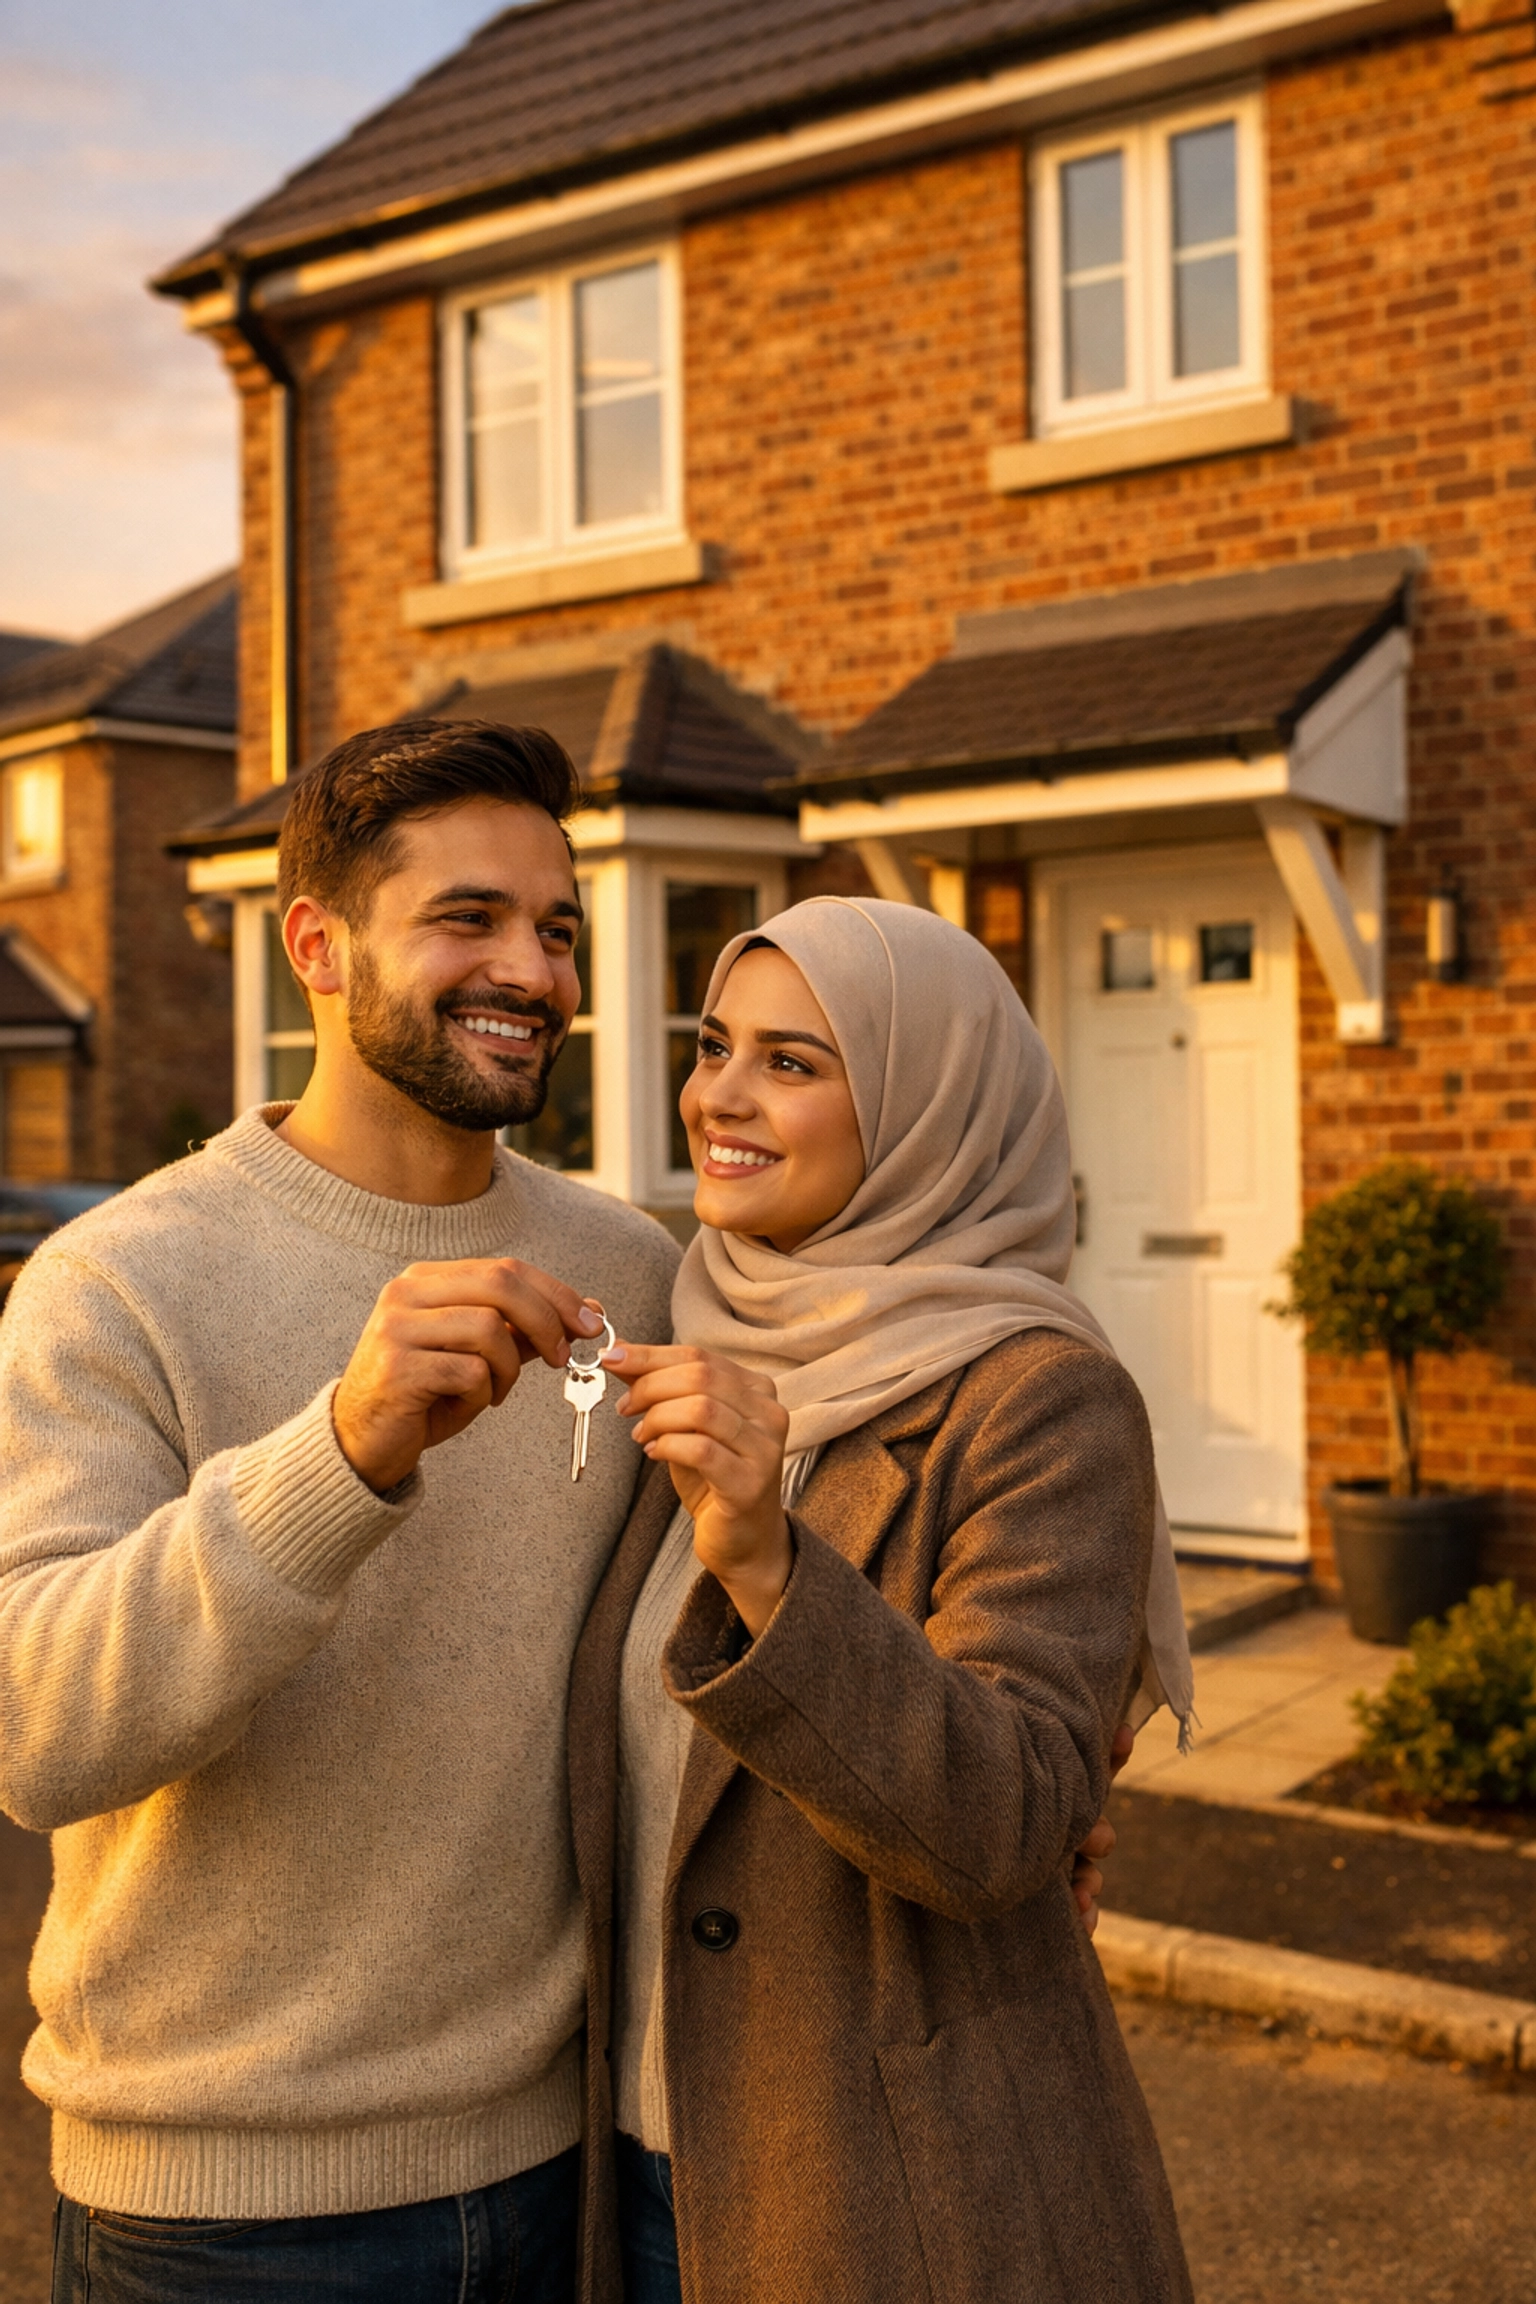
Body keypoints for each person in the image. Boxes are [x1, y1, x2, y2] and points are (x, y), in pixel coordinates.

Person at [0, 720, 682, 2303]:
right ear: (316, 946)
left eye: (558, 928)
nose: (532, 970)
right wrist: (343, 1455)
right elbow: (36, 1731)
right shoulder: (117, 1282)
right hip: (218, 2215)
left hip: (566, 2165)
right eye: (468, 918)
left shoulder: (631, 1269)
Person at [568, 897, 1195, 2304]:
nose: (720, 1096)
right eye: (714, 1044)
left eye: (792, 1062)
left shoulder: (1039, 1401)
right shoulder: (684, 1330)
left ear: (929, 1115)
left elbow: (1006, 1824)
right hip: (637, 2174)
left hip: (890, 2199)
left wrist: (768, 1563)